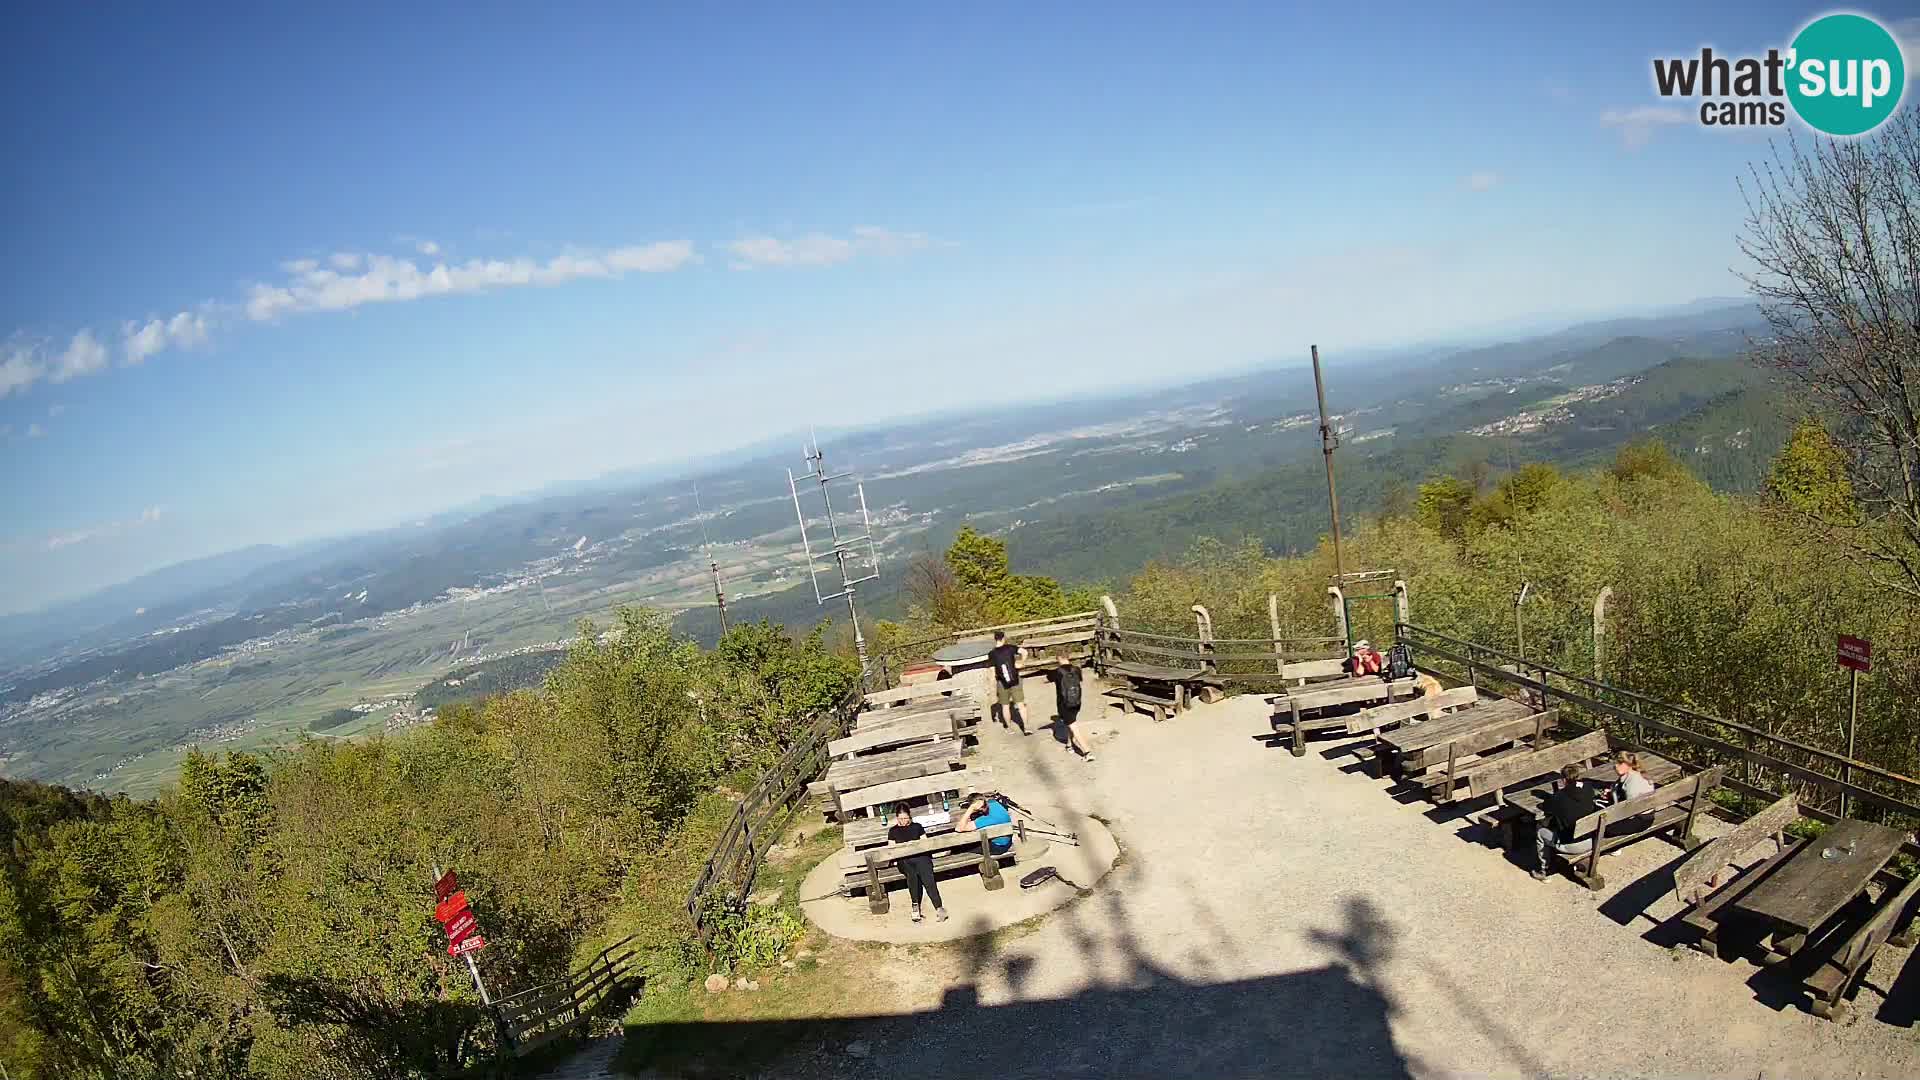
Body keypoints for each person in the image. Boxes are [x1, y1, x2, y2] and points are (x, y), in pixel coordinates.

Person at [1534, 764, 1603, 880]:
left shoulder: (1559, 797)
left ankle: (1545, 871)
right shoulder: (1588, 788)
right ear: (1578, 775)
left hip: (1571, 845)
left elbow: (1546, 808)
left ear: (1563, 780)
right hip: (1592, 839)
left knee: (1540, 830)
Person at [886, 806, 948, 922]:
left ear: (910, 817)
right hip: (904, 859)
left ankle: (939, 907)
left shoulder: (917, 827)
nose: (903, 821)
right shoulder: (893, 831)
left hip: (920, 857)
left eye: (905, 818)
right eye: (900, 819)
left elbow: (925, 844)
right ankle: (915, 907)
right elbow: (892, 850)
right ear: (896, 818)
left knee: (927, 875)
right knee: (912, 874)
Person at [1046, 660, 1094, 761]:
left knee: (1073, 726)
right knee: (1070, 723)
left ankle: (1087, 752)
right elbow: (1080, 680)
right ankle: (1069, 745)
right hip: (1076, 702)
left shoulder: (1057, 672)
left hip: (1064, 704)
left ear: (1058, 658)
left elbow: (1048, 678)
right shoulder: (1076, 669)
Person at [986, 630, 1026, 733]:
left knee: (1005, 706)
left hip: (1001, 682)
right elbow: (1024, 652)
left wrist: (992, 686)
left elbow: (991, 670)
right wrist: (1021, 662)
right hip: (1015, 679)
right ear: (1003, 638)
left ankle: (1008, 728)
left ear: (995, 639)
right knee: (1021, 704)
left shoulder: (992, 654)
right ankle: (1026, 727)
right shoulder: (1010, 648)